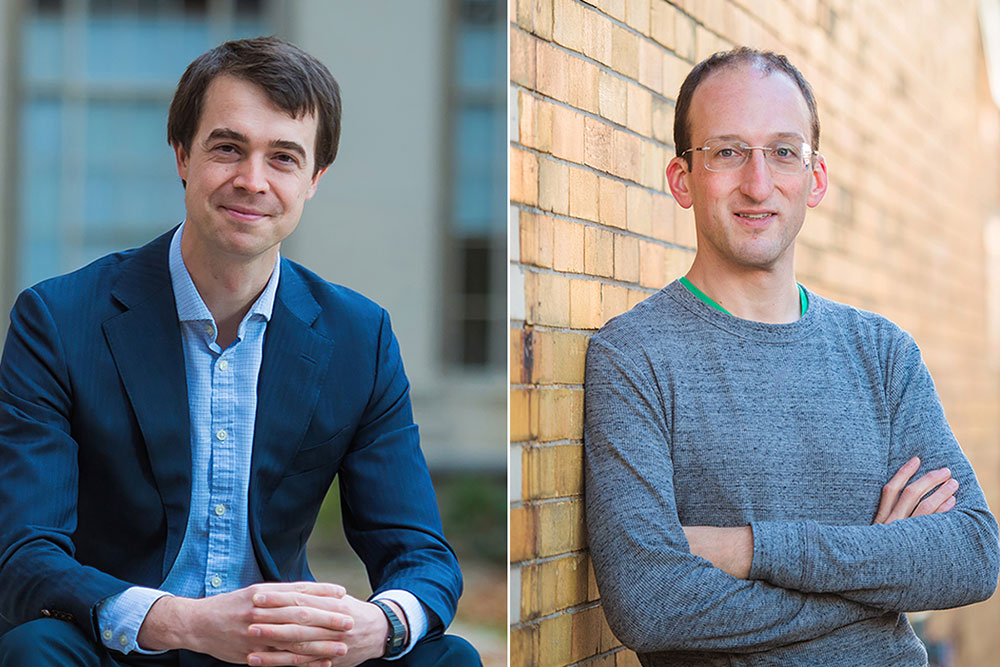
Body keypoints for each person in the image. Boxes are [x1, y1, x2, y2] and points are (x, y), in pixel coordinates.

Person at [0, 37, 480, 667]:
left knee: (445, 658)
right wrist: (183, 622)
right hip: (121, 646)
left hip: (285, 656)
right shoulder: (59, 320)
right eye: (228, 148)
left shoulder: (360, 337)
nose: (252, 181)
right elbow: (25, 554)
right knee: (36, 649)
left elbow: (420, 554)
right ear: (181, 154)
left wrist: (379, 624)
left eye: (283, 158)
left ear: (315, 180)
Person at [583, 47, 999, 666]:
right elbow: (648, 600)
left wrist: (750, 551)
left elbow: (973, 554)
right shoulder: (635, 356)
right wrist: (876, 576)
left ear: (816, 178)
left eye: (783, 152)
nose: (758, 182)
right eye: (727, 152)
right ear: (682, 180)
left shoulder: (881, 353)